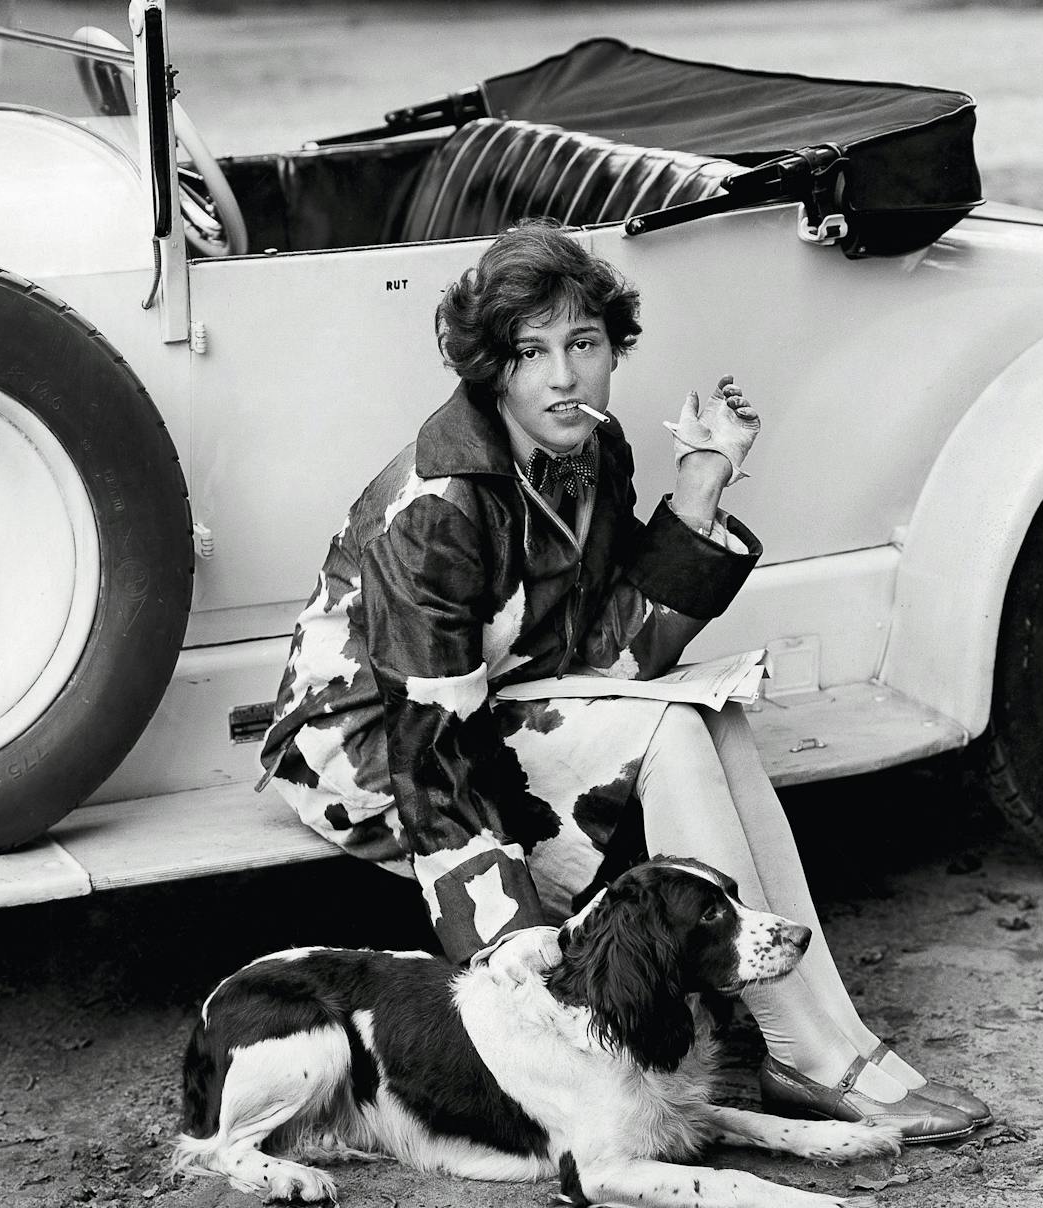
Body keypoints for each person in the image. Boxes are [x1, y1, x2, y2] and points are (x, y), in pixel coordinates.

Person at [258, 221, 987, 1143]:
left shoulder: (591, 450)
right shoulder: (438, 506)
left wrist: (701, 485)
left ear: (612, 352)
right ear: (493, 369)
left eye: (585, 344)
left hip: (484, 707)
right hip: (366, 752)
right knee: (675, 728)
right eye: (532, 351)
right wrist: (515, 965)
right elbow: (432, 764)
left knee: (711, 722)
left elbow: (608, 653)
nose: (563, 376)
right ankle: (801, 1044)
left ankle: (823, 1034)